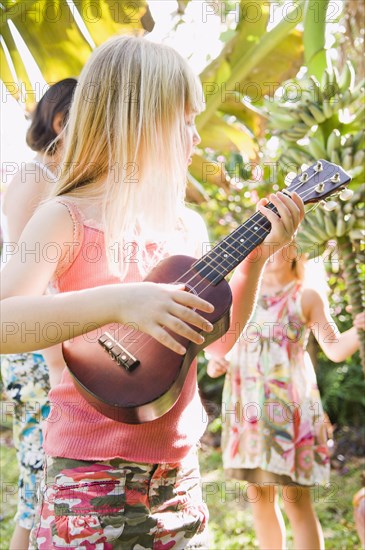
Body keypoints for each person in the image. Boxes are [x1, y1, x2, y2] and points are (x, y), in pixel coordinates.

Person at [1, 35, 304, 549]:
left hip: (180, 484)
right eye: (185, 120)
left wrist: (254, 264)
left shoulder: (185, 228)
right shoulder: (66, 217)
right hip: (90, 482)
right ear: (137, 121)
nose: (196, 137)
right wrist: (123, 302)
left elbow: (218, 347)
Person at [207, 245, 365, 550]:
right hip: (248, 414)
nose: (269, 250)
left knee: (296, 502)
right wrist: (217, 362)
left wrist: (359, 331)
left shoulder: (304, 296)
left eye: (279, 244)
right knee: (259, 501)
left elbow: (333, 347)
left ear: (296, 249)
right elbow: (222, 349)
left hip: (289, 417)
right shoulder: (240, 293)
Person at [1, 78, 77, 550]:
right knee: (38, 471)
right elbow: (32, 276)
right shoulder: (35, 177)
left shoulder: (61, 176)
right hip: (35, 339)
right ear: (61, 121)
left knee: (49, 472)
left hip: (55, 334)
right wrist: (54, 359)